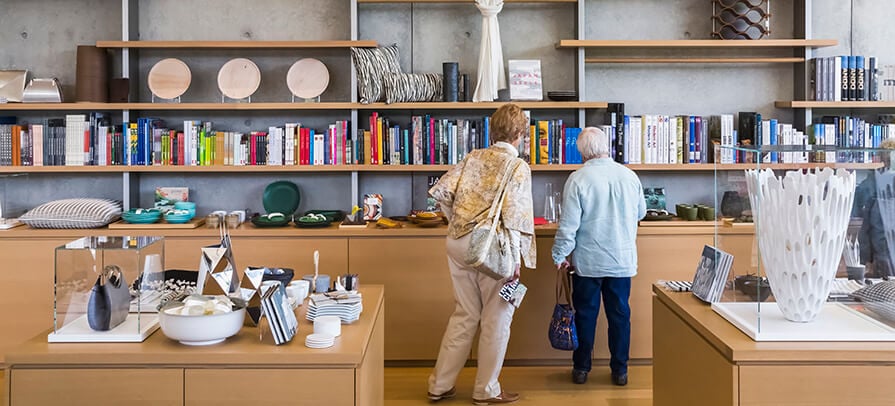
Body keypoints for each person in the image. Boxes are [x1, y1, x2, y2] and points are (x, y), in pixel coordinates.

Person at [426, 103, 536, 405]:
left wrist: (458, 220)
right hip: (493, 251)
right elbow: (515, 218)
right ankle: (486, 390)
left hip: (459, 242)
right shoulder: (517, 167)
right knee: (496, 318)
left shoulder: (473, 157)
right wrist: (515, 261)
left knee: (464, 314)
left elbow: (441, 192)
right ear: (518, 133)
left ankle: (439, 385)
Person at [551, 126, 645, 386]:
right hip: (622, 261)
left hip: (588, 263)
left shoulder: (578, 179)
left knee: (585, 315)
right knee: (620, 316)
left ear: (582, 152)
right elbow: (641, 213)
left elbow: (568, 225)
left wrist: (559, 254)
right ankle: (620, 371)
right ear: (607, 146)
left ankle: (581, 369)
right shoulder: (629, 176)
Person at [855, 138, 895, 278]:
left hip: (881, 257)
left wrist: (865, 261)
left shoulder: (868, 186)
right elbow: (864, 229)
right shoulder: (871, 188)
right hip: (882, 258)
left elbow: (862, 228)